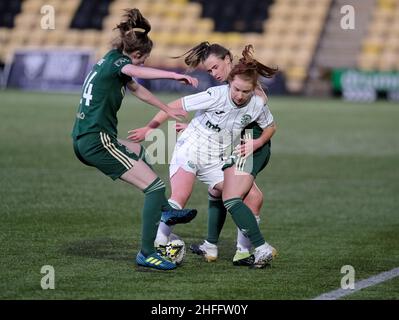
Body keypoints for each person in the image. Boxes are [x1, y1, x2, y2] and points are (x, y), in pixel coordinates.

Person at [71, 8, 199, 271]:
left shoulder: (110, 59)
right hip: (97, 140)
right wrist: (174, 75)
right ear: (137, 54)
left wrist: (166, 109)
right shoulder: (120, 63)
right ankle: (147, 252)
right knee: (154, 187)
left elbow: (136, 87)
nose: (141, 65)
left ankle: (166, 210)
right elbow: (136, 72)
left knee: (138, 149)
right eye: (143, 60)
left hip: (89, 137)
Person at [129, 45, 277, 268]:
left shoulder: (254, 100)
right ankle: (155, 246)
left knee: (246, 197)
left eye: (215, 67)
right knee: (179, 197)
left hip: (216, 157)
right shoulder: (216, 94)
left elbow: (262, 124)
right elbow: (175, 105)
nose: (214, 74)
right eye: (209, 70)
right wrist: (151, 128)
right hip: (190, 148)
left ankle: (234, 250)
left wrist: (255, 141)